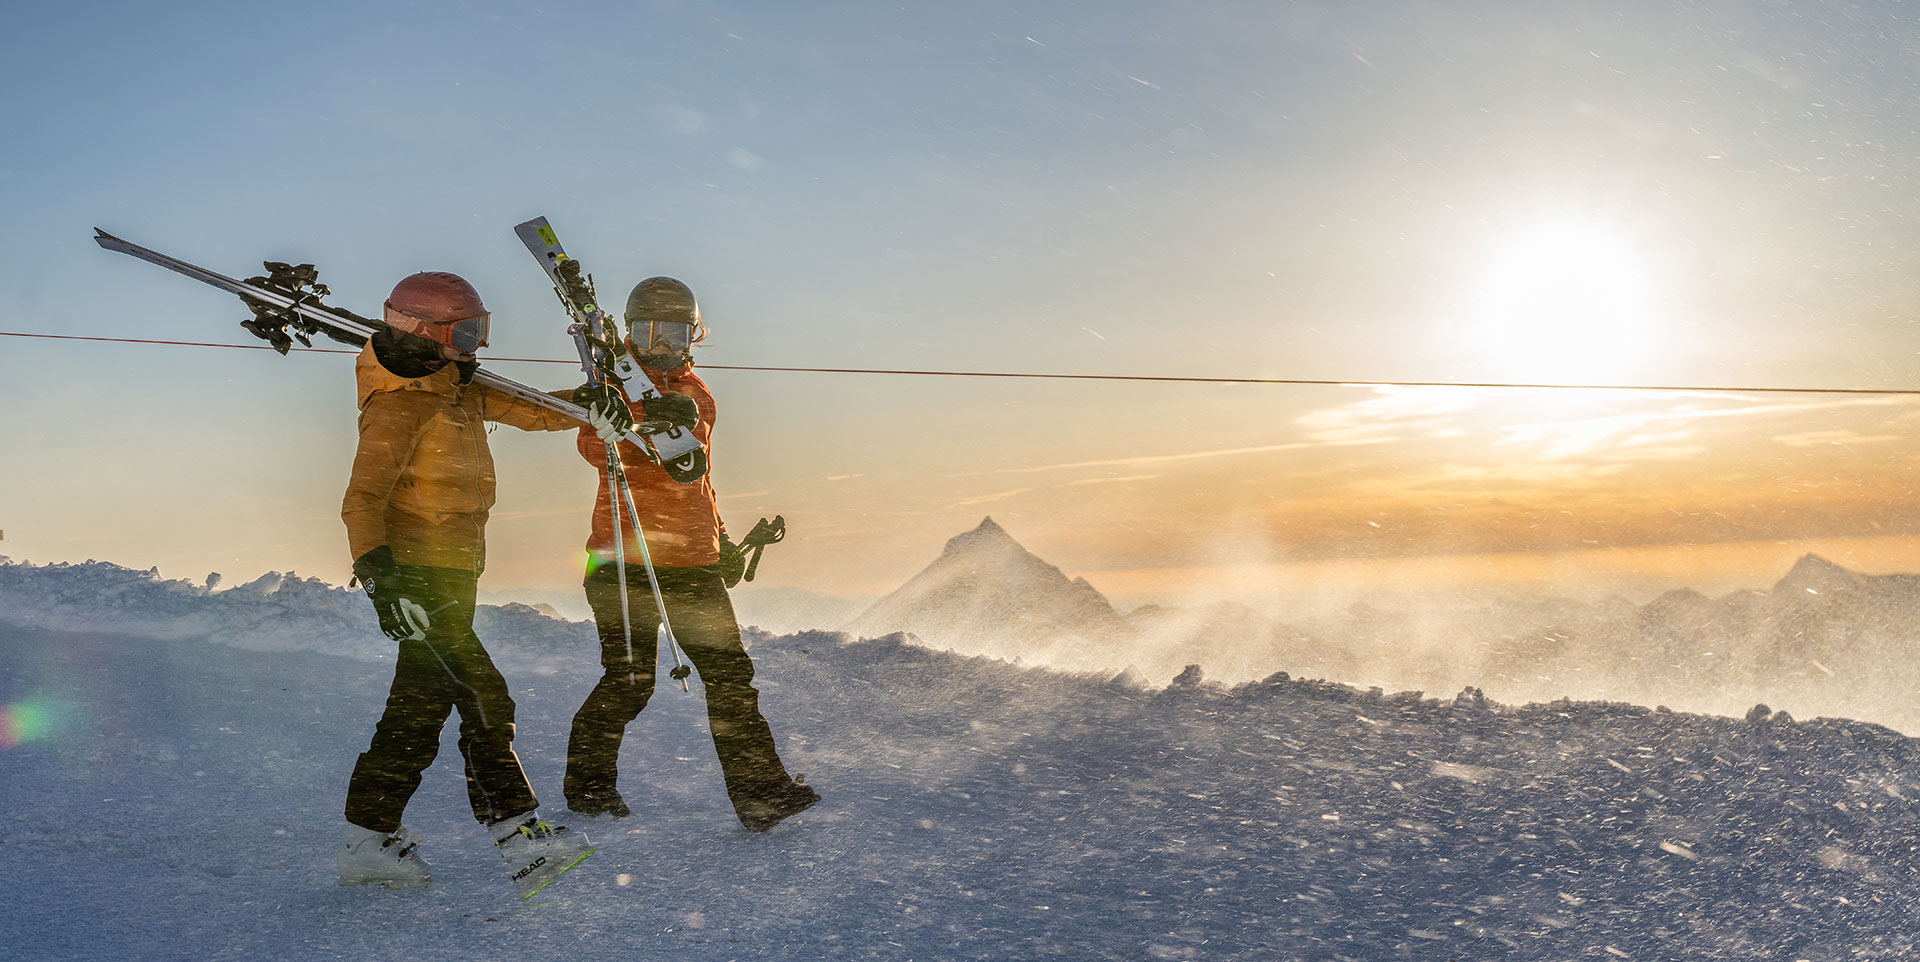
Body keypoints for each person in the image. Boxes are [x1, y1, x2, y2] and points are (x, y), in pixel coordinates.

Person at [336, 271, 615, 896]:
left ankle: (367, 840)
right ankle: (520, 838)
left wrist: (585, 402)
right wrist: (382, 579)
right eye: (467, 331)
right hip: (417, 574)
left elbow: (532, 410)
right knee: (485, 698)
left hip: (454, 572)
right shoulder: (399, 404)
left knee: (417, 713)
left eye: (480, 329)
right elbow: (361, 500)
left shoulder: (455, 387)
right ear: (427, 331)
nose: (477, 344)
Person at [565, 276, 819, 831]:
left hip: (693, 563)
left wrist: (719, 540)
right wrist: (627, 422)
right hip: (621, 561)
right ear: (629, 332)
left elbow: (697, 478)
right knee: (629, 680)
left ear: (693, 335)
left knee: (730, 677)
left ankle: (761, 796)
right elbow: (592, 445)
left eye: (673, 331)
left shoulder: (698, 394)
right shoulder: (611, 384)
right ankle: (588, 789)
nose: (659, 345)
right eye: (647, 332)